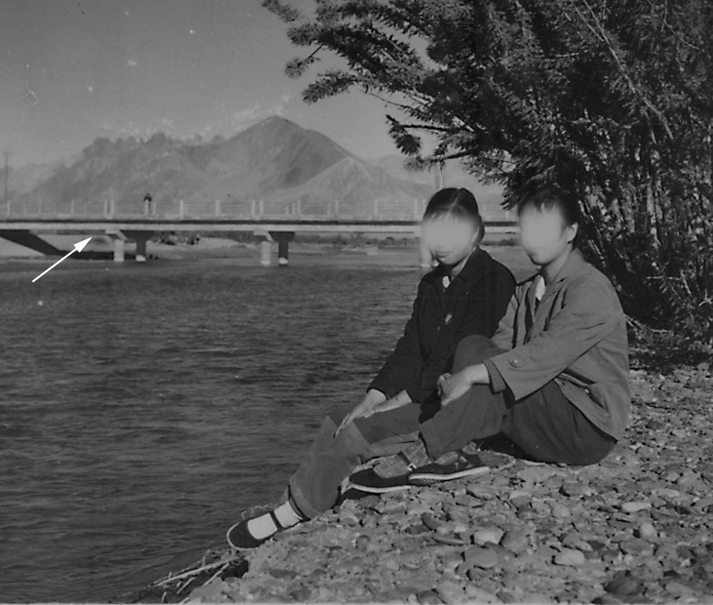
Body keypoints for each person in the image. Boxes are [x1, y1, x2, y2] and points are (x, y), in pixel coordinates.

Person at [226, 187, 516, 550]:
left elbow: (451, 357)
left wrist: (392, 404)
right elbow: (410, 349)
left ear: (475, 232)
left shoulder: (493, 279)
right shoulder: (431, 283)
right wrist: (372, 398)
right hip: (425, 393)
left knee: (358, 433)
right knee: (338, 418)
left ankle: (292, 514)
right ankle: (296, 503)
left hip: (455, 404)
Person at [354, 184, 629, 489]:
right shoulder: (526, 291)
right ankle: (458, 447)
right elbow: (497, 348)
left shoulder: (590, 289)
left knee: (493, 374)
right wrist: (456, 376)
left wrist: (470, 376)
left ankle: (426, 452)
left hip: (586, 427)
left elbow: (543, 356)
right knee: (474, 345)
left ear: (570, 232)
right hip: (541, 414)